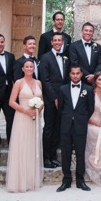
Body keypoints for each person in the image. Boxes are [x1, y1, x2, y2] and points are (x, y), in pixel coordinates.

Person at [5, 59, 44, 192]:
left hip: (34, 118)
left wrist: (38, 109)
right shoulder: (19, 83)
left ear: (34, 68)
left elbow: (42, 101)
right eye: (26, 67)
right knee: (22, 146)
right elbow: (11, 102)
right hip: (22, 117)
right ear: (22, 69)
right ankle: (19, 181)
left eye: (31, 67)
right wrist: (25, 111)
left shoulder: (38, 83)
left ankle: (30, 180)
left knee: (32, 147)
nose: (29, 69)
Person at [57, 65, 95, 192]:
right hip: (66, 125)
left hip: (80, 125)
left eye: (77, 73)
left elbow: (90, 108)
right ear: (69, 74)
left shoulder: (88, 89)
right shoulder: (62, 89)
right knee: (65, 154)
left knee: (80, 153)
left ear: (81, 74)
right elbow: (60, 108)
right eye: (73, 73)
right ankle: (66, 180)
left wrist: (82, 119)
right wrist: (68, 118)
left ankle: (80, 180)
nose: (75, 75)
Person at [38, 33, 68, 169]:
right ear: (51, 42)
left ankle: (53, 156)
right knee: (49, 128)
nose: (57, 42)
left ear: (62, 42)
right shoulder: (45, 58)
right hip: (51, 99)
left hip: (63, 98)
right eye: (55, 40)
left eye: (59, 40)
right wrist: (54, 97)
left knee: (57, 128)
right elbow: (45, 80)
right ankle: (46, 158)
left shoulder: (65, 58)